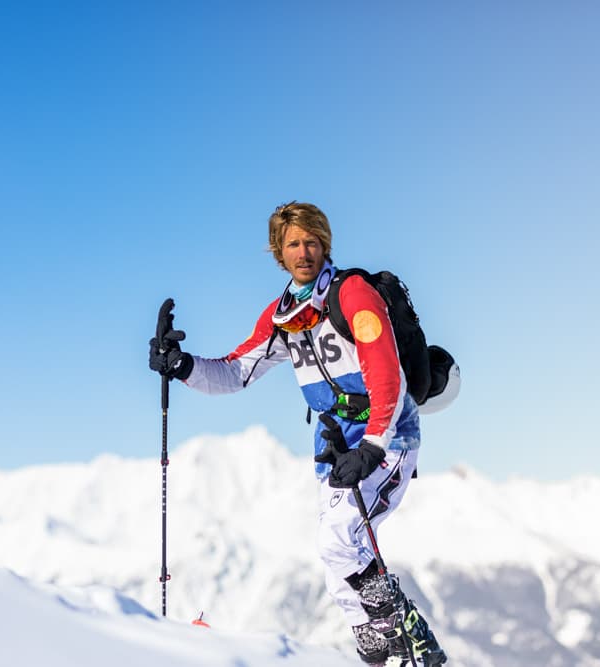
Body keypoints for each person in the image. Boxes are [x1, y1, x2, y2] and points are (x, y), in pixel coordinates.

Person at [148, 202, 447, 666]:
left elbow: (387, 373)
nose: (303, 252)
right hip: (334, 447)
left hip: (388, 438)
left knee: (337, 538)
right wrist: (181, 365)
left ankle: (406, 639)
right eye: (292, 244)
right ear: (279, 253)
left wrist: (372, 445)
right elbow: (234, 372)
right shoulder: (284, 315)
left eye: (311, 242)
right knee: (336, 567)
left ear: (325, 244)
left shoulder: (353, 295)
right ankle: (381, 651)